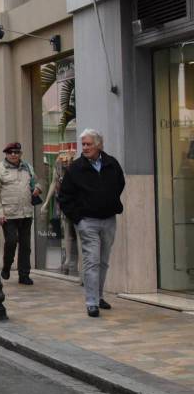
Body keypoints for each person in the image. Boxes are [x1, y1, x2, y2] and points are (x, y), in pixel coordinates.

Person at [57, 129, 125, 318]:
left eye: (88, 144)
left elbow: (120, 184)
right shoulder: (75, 168)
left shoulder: (112, 164)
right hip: (87, 222)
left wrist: (111, 202)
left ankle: (99, 296)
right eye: (83, 144)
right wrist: (78, 218)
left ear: (99, 145)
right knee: (91, 261)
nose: (85, 148)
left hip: (109, 220)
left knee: (103, 261)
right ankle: (91, 302)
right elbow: (64, 197)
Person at [0, 142, 43, 285]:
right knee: (11, 241)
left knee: (26, 245)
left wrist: (38, 188)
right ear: (6, 154)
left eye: (16, 152)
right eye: (10, 152)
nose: (13, 155)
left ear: (20, 154)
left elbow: (37, 182)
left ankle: (24, 274)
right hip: (8, 214)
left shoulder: (28, 167)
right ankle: (7, 266)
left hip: (26, 212)